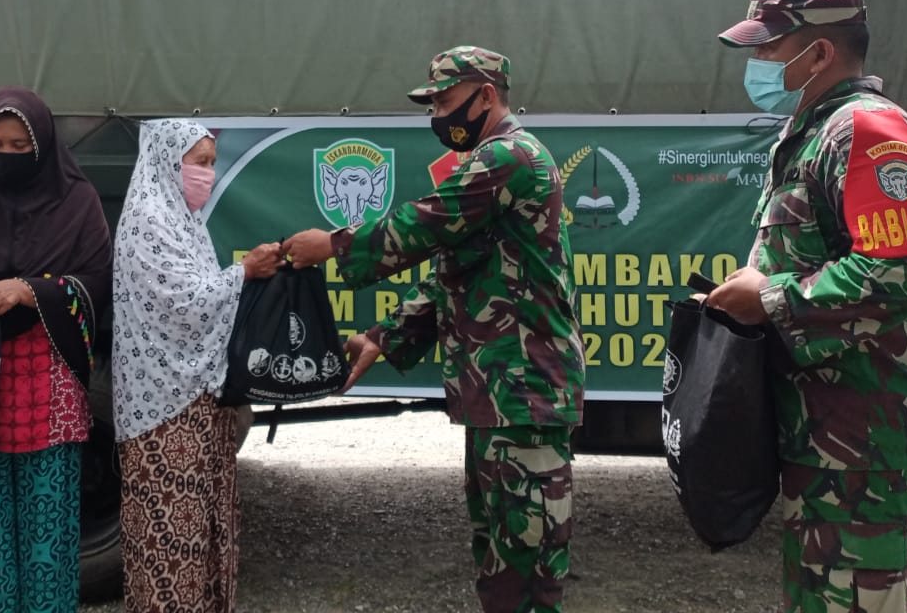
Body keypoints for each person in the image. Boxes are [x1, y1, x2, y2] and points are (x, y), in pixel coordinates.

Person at [284, 46, 585, 613]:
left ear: (486, 96)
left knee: (526, 565)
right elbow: (454, 267)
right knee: (499, 560)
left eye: (446, 102)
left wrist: (333, 245)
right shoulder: (489, 159)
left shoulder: (510, 156)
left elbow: (427, 221)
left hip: (524, 397)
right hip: (498, 395)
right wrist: (384, 337)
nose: (438, 117)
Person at [706, 0, 907, 612]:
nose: (759, 66)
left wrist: (771, 299)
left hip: (871, 441)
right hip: (827, 433)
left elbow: (899, 272)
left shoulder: (868, 130)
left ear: (819, 53)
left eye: (770, 50)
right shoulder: (814, 131)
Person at [0, 86, 113, 613]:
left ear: (44, 144)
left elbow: (100, 279)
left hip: (46, 382)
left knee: (47, 538)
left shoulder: (77, 202)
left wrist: (30, 289)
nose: (6, 156)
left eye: (18, 145)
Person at [111, 119, 282, 613]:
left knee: (203, 528)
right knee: (170, 538)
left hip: (197, 403)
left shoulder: (181, 218)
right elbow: (182, 303)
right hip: (163, 413)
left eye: (211, 163)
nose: (207, 173)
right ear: (168, 162)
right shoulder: (149, 218)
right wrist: (244, 272)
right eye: (199, 162)